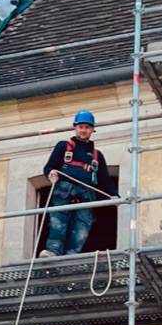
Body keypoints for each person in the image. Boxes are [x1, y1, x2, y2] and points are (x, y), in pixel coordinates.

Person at [39, 110, 112, 258]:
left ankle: (71, 257)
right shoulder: (63, 147)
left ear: (92, 130)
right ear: (75, 128)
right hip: (64, 192)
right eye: (81, 127)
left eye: (87, 127)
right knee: (57, 225)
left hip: (86, 195)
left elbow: (105, 180)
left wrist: (114, 195)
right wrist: (51, 173)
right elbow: (49, 167)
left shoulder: (97, 156)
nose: (83, 130)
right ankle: (53, 252)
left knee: (81, 231)